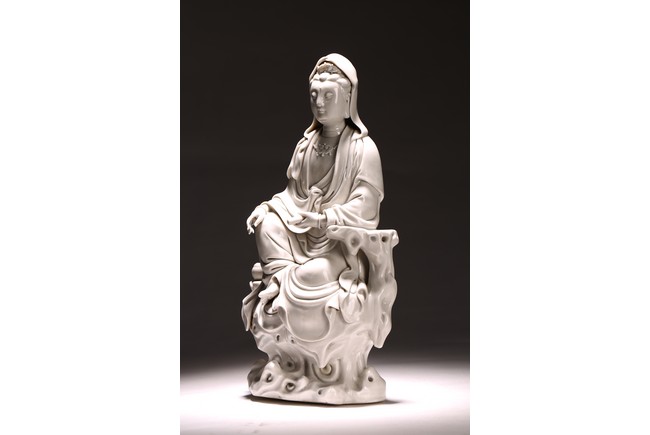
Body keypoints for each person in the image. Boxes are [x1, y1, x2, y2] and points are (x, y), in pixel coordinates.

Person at [245, 53, 384, 299]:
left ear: (348, 98)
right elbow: (292, 195)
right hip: (301, 236)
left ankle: (278, 279)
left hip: (338, 245)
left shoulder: (363, 149)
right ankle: (280, 274)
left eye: (328, 96)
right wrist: (266, 208)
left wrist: (322, 219)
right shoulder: (305, 145)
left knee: (313, 273)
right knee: (266, 225)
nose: (319, 103)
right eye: (314, 95)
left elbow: (367, 206)